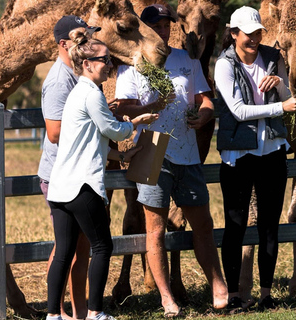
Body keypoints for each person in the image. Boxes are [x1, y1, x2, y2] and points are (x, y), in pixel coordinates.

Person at [114, 4, 229, 317]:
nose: (162, 30)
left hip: (186, 150)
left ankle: (217, 284)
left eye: (166, 25)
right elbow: (123, 109)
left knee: (202, 222)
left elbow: (205, 99)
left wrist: (204, 115)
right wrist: (152, 105)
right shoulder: (132, 65)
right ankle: (166, 298)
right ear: (146, 29)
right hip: (150, 148)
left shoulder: (186, 60)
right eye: (156, 26)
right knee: (155, 229)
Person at [45, 28, 158, 320]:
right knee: (102, 246)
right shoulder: (92, 94)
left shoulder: (77, 93)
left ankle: (52, 316)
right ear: (87, 64)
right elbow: (112, 130)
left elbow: (86, 141)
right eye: (104, 59)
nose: (110, 64)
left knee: (63, 254)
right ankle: (96, 312)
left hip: (61, 188)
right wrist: (135, 122)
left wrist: (119, 156)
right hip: (83, 187)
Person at [214, 6, 296, 312]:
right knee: (235, 224)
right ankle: (236, 296)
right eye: (247, 34)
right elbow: (238, 111)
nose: (253, 39)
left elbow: (290, 95)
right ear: (234, 33)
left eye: (257, 34)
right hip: (238, 155)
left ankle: (266, 294)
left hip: (272, 152)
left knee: (269, 225)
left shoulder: (272, 57)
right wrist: (279, 108)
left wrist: (278, 84)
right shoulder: (223, 65)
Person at [38, 15, 101, 320]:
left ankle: (76, 312)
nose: (85, 40)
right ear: (63, 43)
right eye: (80, 35)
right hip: (60, 174)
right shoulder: (58, 80)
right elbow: (54, 131)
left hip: (75, 171)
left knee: (80, 247)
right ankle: (56, 311)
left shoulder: (77, 72)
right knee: (66, 247)